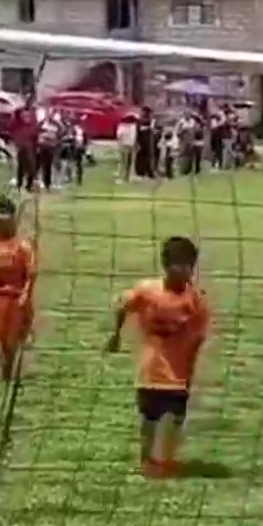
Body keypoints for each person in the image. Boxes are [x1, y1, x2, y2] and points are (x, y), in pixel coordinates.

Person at [106, 236, 211, 479]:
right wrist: (116, 335)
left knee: (173, 420)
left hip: (177, 375)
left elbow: (198, 337)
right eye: (179, 264)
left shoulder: (195, 300)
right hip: (150, 372)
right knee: (149, 421)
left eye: (189, 265)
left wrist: (190, 371)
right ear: (166, 265)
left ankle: (165, 463)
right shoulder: (147, 291)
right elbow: (122, 305)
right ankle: (147, 462)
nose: (184, 271)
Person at [0, 196, 36, 382]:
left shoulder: (22, 246)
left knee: (9, 344)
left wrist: (25, 295)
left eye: (6, 215)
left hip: (14, 299)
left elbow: (31, 274)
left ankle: (7, 375)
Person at [116, 111, 138, 184]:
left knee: (127, 162)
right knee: (126, 162)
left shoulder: (129, 126)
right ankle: (124, 177)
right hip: (126, 145)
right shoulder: (128, 126)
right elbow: (119, 136)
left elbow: (119, 136)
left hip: (128, 145)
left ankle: (126, 177)